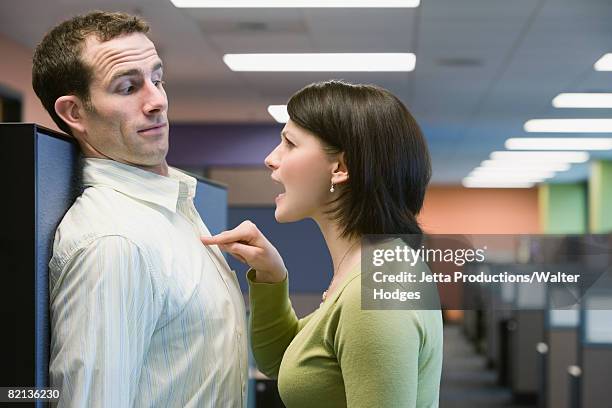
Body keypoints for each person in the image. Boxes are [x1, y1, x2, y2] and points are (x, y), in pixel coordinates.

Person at [32, 11, 247, 407]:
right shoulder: (114, 242)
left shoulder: (171, 207)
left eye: (157, 79)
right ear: (74, 113)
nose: (157, 101)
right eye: (128, 87)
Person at [202, 80, 443, 407]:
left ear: (340, 168)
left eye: (289, 143)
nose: (271, 159)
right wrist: (272, 276)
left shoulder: (371, 293)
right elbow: (286, 362)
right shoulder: (374, 267)